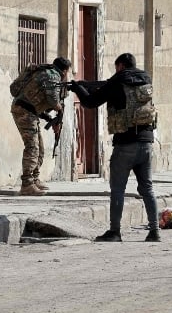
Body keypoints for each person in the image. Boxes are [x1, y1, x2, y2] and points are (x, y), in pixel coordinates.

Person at [68, 53, 160, 242]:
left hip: (125, 144)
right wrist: (88, 84)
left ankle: (115, 231)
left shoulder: (118, 81)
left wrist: (77, 88)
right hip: (147, 143)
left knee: (118, 189)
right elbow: (106, 85)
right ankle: (154, 231)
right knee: (147, 188)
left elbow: (90, 102)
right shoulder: (145, 79)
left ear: (120, 66)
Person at [11, 57, 71, 196]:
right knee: (32, 147)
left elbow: (39, 100)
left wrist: (51, 118)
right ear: (64, 71)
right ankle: (26, 184)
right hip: (24, 111)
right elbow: (53, 100)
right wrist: (59, 109)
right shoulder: (53, 75)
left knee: (40, 148)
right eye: (67, 73)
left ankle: (34, 178)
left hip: (29, 112)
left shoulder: (47, 73)